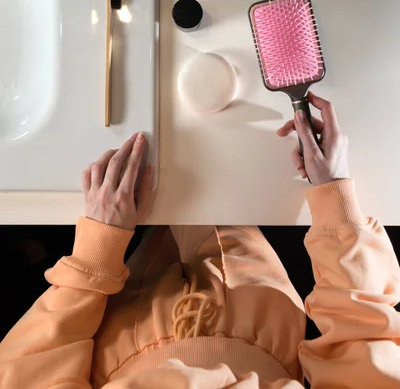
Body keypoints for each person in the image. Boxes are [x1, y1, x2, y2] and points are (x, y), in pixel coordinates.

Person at [1, 93, 400, 389]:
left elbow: (29, 368)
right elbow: (363, 339)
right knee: (200, 179)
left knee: (162, 198)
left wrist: (98, 248)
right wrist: (334, 197)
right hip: (255, 310)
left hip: (122, 332)